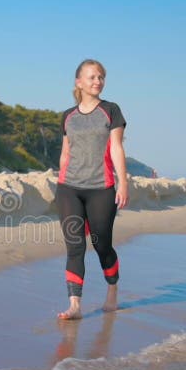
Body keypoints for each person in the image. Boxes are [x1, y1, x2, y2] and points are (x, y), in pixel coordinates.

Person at [55, 59, 128, 320]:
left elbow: (117, 148)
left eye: (101, 77)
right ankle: (75, 305)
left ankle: (113, 290)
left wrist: (123, 182)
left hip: (101, 187)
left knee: (101, 245)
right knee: (74, 246)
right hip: (69, 188)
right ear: (79, 82)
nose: (98, 81)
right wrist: (59, 182)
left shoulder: (111, 110)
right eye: (92, 77)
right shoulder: (68, 116)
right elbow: (66, 152)